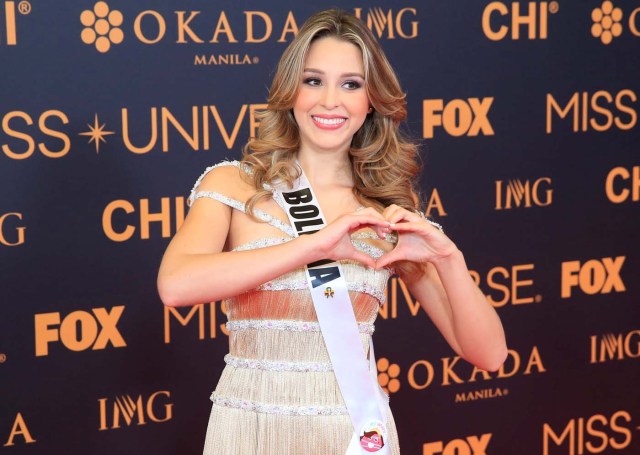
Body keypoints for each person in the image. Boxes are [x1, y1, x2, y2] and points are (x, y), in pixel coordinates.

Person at [157, 8, 507, 454]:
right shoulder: (234, 183)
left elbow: (489, 354)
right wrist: (315, 245)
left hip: (353, 435)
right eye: (313, 80)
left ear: (371, 99)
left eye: (351, 84)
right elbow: (175, 285)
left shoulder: (384, 211)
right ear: (290, 90)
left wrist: (448, 260)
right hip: (252, 430)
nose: (330, 102)